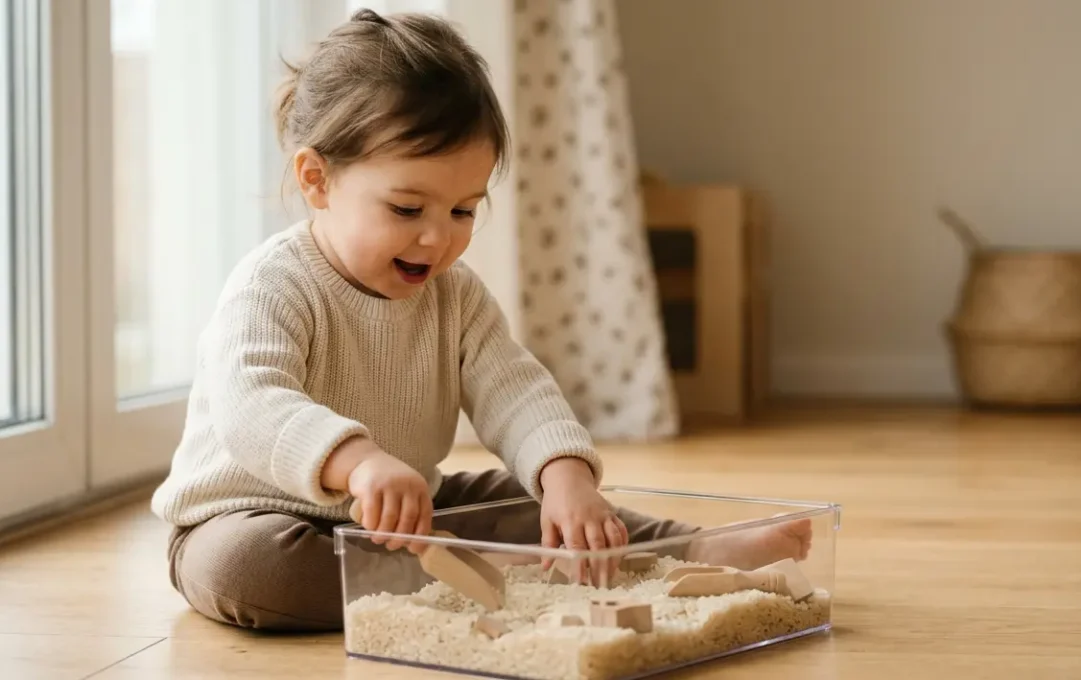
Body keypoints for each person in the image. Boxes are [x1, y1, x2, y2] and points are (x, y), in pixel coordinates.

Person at [149, 8, 809, 632]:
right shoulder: (273, 285)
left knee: (521, 499)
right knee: (251, 568)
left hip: (405, 518)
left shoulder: (454, 294)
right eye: (408, 210)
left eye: (463, 210)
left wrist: (565, 479)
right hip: (252, 516)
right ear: (317, 180)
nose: (437, 239)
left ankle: (686, 546)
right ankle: (485, 571)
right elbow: (253, 405)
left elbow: (515, 389)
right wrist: (359, 464)